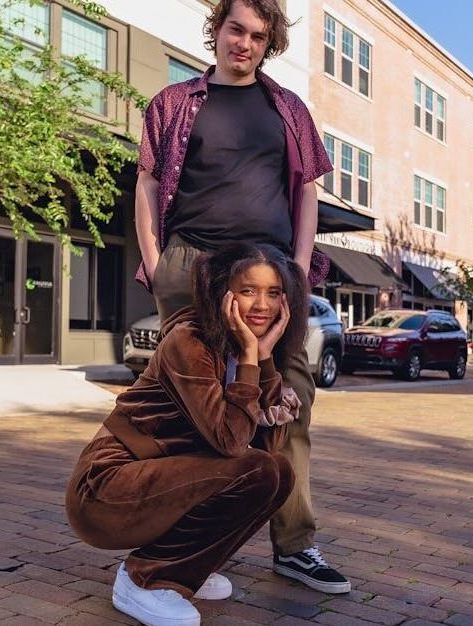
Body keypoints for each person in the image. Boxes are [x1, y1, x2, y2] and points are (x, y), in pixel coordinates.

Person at [133, 0, 350, 593]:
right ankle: (182, 547)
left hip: (271, 275)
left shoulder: (289, 109)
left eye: (258, 35)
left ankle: (295, 547)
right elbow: (148, 183)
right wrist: (156, 265)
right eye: (236, 29)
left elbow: (307, 191)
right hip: (191, 268)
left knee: (290, 404)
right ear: (218, 30)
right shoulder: (174, 104)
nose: (244, 43)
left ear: (269, 41)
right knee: (186, 412)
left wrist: (300, 269)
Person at [66, 243, 306, 626]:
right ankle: (144, 580)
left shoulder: (247, 347)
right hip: (104, 490)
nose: (262, 305)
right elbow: (230, 442)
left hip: (165, 479)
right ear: (222, 292)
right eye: (248, 291)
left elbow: (266, 446)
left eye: (273, 293)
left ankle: (187, 565)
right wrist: (250, 355)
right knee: (257, 470)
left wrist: (262, 358)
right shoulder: (188, 341)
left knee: (277, 472)